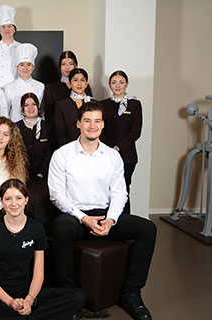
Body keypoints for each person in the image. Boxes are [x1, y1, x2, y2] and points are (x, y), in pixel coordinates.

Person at [48, 101, 156, 320]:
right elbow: (57, 195)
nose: (92, 125)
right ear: (78, 123)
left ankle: (131, 292)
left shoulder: (112, 157)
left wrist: (112, 220)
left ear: (103, 125)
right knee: (61, 226)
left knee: (147, 228)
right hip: (75, 215)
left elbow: (119, 194)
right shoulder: (62, 154)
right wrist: (83, 218)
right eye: (87, 120)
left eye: (97, 121)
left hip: (105, 215)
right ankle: (70, 296)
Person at [0, 179, 85, 320]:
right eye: (8, 199)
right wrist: (10, 301)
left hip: (27, 290)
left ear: (26, 200)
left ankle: (24, 315)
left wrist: (29, 300)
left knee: (77, 296)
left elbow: (39, 273)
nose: (14, 203)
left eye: (18, 198)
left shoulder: (36, 228)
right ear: (2, 201)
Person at [101, 70, 142, 215]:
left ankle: (125, 223)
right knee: (106, 190)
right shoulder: (103, 104)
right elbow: (100, 129)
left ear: (127, 84)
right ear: (109, 85)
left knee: (122, 190)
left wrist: (118, 148)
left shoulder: (135, 104)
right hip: (106, 154)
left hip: (127, 156)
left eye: (121, 82)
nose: (117, 85)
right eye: (114, 82)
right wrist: (108, 149)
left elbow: (135, 132)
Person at [42, 51, 92, 125]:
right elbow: (49, 115)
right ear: (60, 67)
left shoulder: (83, 86)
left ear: (76, 66)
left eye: (71, 64)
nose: (67, 67)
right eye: (63, 64)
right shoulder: (51, 88)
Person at [4, 43, 45, 123]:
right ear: (17, 67)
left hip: (35, 127)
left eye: (29, 65)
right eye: (22, 65)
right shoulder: (8, 87)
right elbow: (6, 113)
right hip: (15, 127)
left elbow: (41, 111)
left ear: (33, 67)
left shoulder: (40, 86)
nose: (25, 68)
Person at [55, 68, 94, 147]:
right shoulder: (61, 105)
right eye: (75, 80)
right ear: (70, 83)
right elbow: (60, 134)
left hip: (92, 148)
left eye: (82, 80)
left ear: (86, 84)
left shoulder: (94, 104)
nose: (79, 83)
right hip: (69, 150)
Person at [16, 93, 52, 179]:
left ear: (38, 106)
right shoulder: (15, 127)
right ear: (22, 108)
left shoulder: (48, 127)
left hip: (42, 176)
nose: (30, 108)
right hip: (20, 175)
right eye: (26, 105)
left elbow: (49, 152)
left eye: (33, 104)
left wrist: (41, 173)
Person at [0, 5, 21, 88]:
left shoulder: (21, 48)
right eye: (3, 27)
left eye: (10, 26)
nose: (7, 30)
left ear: (14, 29)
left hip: (16, 88)